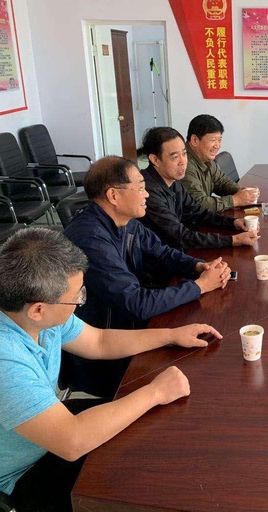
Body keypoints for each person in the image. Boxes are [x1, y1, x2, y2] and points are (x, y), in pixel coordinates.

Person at [0, 228, 221, 512]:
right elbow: (73, 441)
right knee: (137, 482)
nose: (80, 300)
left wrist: (170, 335)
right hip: (1, 486)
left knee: (149, 432)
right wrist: (155, 392)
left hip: (36, 440)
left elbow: (98, 341)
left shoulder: (26, 313)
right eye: (77, 296)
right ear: (38, 309)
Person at [64, 156, 231, 397]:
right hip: (107, 352)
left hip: (131, 328)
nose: (147, 194)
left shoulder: (123, 220)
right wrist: (199, 287)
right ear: (113, 195)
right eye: (140, 188)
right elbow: (136, 303)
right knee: (201, 377)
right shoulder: (90, 239)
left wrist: (198, 267)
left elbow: (161, 252)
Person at [139, 126, 259, 250]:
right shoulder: (147, 191)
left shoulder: (173, 180)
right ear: (155, 159)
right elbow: (181, 237)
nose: (183, 162)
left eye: (184, 154)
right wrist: (233, 240)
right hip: (161, 258)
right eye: (175, 157)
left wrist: (233, 223)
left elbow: (197, 213)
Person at [180, 114, 259, 212]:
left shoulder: (205, 158)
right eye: (213, 140)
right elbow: (198, 204)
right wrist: (235, 200)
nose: (217, 146)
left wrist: (243, 192)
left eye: (219, 140)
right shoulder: (184, 164)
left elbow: (222, 182)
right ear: (194, 140)